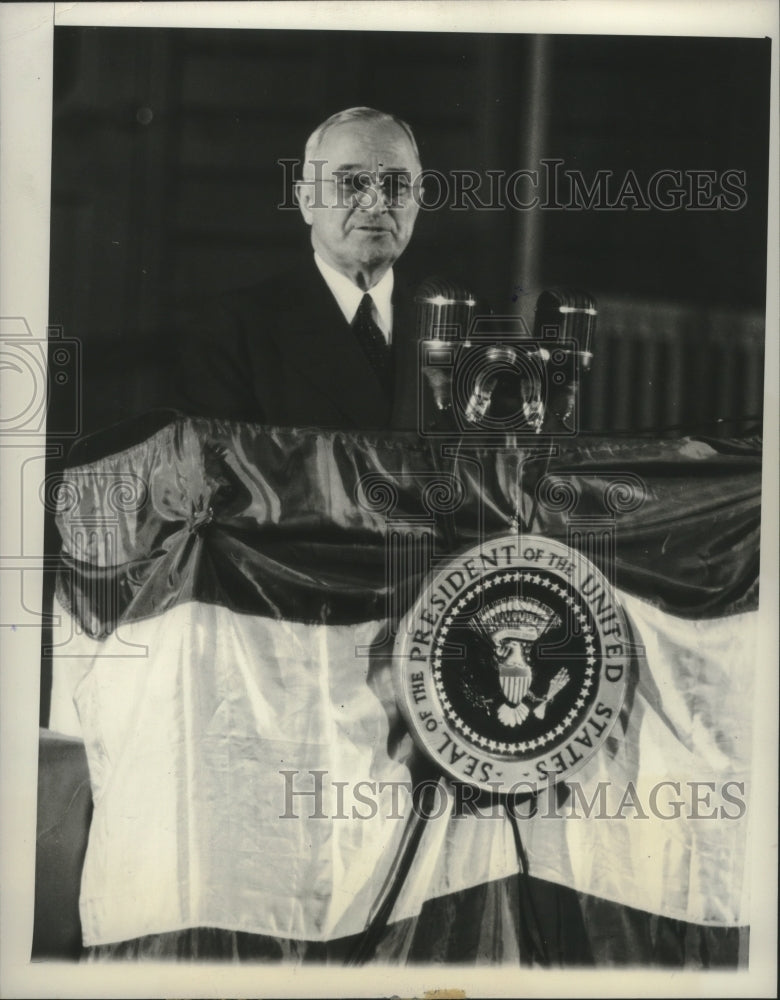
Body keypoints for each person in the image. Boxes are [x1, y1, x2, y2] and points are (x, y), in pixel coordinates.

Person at [176, 107, 425, 430]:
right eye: (351, 183)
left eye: (396, 184)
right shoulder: (233, 331)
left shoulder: (459, 329)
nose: (376, 203)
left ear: (418, 200)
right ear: (307, 201)